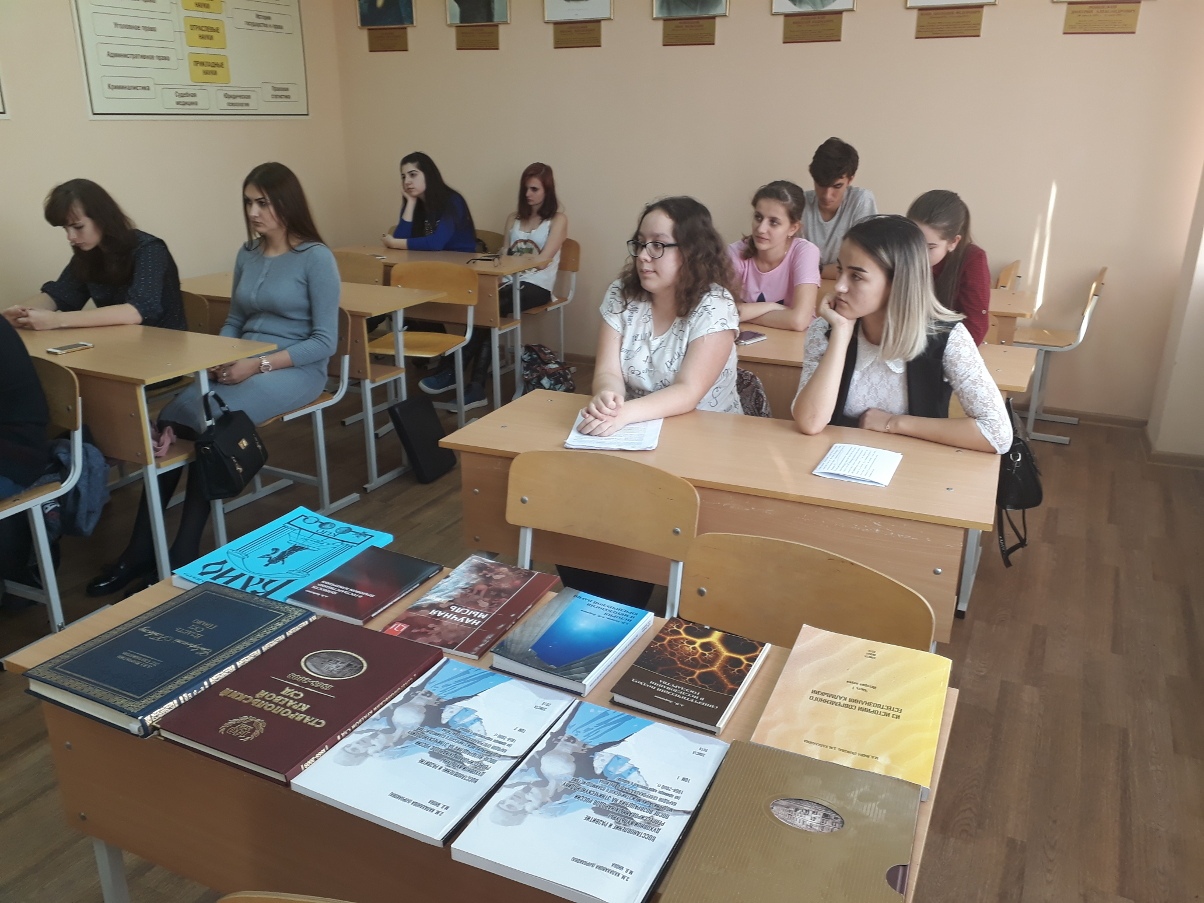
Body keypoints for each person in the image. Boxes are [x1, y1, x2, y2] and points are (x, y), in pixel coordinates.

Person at [86, 162, 340, 597]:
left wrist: (257, 365)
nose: (253, 212)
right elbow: (236, 319)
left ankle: (184, 549)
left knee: (210, 425)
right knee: (171, 418)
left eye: (263, 203)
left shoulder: (316, 258)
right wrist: (218, 357)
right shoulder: (248, 253)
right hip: (240, 363)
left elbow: (324, 342)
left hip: (294, 369)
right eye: (248, 202)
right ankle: (141, 550)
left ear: (287, 204)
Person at [792, 215, 1011, 454]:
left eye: (856, 276)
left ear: (897, 283)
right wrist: (841, 335)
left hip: (916, 466)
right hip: (836, 462)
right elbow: (810, 422)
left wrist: (893, 423)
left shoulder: (947, 338)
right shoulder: (826, 329)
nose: (839, 286)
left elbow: (997, 434)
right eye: (840, 269)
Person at [577, 196, 741, 438]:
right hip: (633, 427)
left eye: (658, 245)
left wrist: (623, 414)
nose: (643, 255)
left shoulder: (715, 305)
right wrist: (608, 399)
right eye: (641, 243)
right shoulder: (620, 294)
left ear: (691, 252)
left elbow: (688, 391)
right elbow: (607, 372)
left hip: (705, 432)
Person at [419, 162, 569, 408]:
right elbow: (505, 252)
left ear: (547, 191)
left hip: (537, 286)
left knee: (491, 307)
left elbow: (544, 261)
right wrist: (499, 269)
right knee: (485, 307)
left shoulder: (558, 220)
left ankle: (452, 372)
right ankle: (473, 386)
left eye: (534, 189)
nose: (528, 194)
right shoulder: (514, 218)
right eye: (525, 189)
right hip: (508, 282)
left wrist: (512, 263)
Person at [3, 179, 185, 333]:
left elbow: (137, 311)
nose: (70, 237)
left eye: (78, 227)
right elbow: (60, 295)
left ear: (102, 218)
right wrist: (17, 315)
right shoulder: (88, 253)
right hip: (118, 343)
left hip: (164, 348)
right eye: (65, 228)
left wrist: (57, 320)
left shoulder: (149, 249)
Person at [727, 180, 820, 331]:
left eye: (774, 222)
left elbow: (799, 321)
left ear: (793, 228)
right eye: (758, 217)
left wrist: (745, 313)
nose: (761, 229)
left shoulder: (805, 252)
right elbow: (720, 311)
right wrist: (770, 307)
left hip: (795, 342)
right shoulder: (735, 252)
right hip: (748, 340)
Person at [907, 189, 991, 345]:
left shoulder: (972, 260)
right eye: (913, 243)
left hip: (943, 349)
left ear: (953, 242)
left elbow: (975, 328)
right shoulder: (898, 251)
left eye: (930, 247)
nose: (919, 254)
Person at [802, 137, 878, 281]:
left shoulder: (861, 201)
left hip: (846, 287)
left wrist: (813, 270)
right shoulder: (801, 203)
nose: (827, 195)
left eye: (837, 186)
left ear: (850, 180)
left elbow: (863, 262)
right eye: (821, 185)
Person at [381, 152, 477, 253]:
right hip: (428, 258)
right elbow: (400, 240)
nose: (406, 182)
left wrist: (393, 243)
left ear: (428, 175)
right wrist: (411, 203)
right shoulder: (414, 203)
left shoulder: (453, 201)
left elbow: (436, 243)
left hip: (459, 260)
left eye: (412, 175)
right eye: (403, 177)